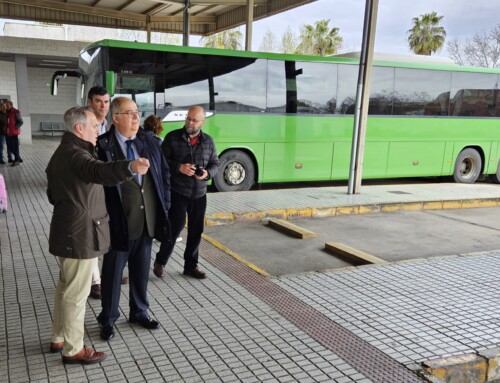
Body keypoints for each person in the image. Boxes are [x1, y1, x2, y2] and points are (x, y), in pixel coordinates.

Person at [46, 106, 150, 364]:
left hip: (69, 231)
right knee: (76, 295)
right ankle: (74, 349)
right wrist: (130, 166)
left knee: (65, 288)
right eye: (94, 126)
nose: (98, 130)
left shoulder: (64, 152)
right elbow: (98, 171)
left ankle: (59, 336)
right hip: (80, 235)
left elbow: (52, 195)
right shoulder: (75, 155)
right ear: (79, 128)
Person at [96, 97, 171, 341]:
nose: (136, 117)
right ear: (115, 117)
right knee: (112, 274)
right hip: (118, 222)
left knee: (140, 272)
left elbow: (164, 175)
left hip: (146, 220)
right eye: (129, 113)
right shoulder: (103, 146)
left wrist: (164, 207)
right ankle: (108, 318)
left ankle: (139, 311)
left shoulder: (148, 141)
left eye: (137, 112)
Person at [153, 106, 219, 280]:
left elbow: (215, 164)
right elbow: (161, 162)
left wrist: (207, 174)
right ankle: (160, 261)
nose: (190, 122)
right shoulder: (172, 138)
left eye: (194, 120)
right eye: (188, 118)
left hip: (199, 194)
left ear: (202, 122)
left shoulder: (209, 142)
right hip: (178, 192)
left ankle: (190, 266)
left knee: (196, 231)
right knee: (173, 230)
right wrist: (179, 167)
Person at [86, 86, 126, 299]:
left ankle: (111, 272)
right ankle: (95, 282)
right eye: (98, 101)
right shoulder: (86, 123)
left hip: (109, 186)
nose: (103, 105)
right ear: (90, 102)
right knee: (93, 233)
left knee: (110, 230)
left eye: (106, 102)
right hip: (92, 186)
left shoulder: (110, 125)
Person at [4, 100, 23, 166]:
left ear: (11, 105)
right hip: (7, 133)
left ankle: (17, 160)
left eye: (7, 105)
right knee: (10, 147)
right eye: (5, 105)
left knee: (15, 147)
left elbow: (20, 121)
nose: (6, 106)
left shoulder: (15, 112)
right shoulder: (6, 113)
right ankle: (18, 158)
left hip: (14, 133)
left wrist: (15, 128)